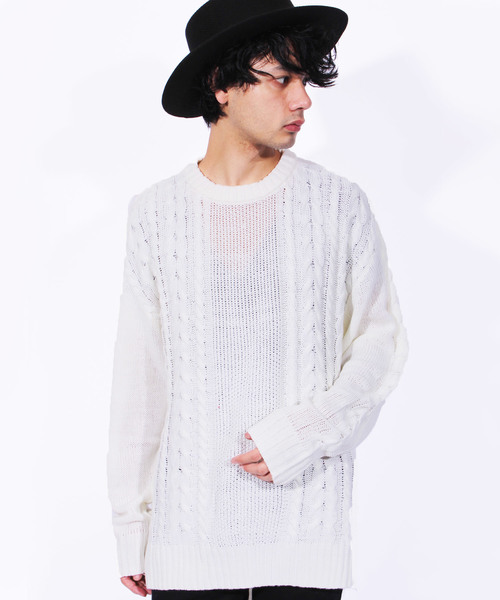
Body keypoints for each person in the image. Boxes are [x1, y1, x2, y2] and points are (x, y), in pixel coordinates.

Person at [106, 1, 409, 599]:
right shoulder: (156, 215)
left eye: (306, 79)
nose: (304, 99)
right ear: (222, 85)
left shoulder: (337, 204)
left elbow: (381, 345)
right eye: (283, 79)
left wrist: (307, 432)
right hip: (187, 537)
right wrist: (131, 525)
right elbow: (141, 379)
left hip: (305, 535)